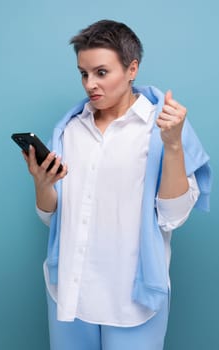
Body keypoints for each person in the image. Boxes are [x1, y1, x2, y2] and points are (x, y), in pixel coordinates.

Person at [23, 19, 211, 350]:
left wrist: (173, 146)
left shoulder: (163, 128)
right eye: (83, 73)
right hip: (70, 292)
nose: (89, 84)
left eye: (101, 72)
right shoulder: (69, 131)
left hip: (132, 299)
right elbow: (53, 219)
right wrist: (43, 183)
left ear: (131, 68)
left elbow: (173, 217)